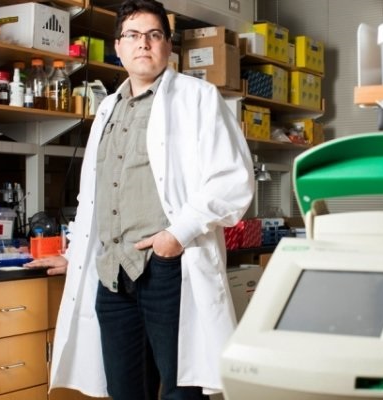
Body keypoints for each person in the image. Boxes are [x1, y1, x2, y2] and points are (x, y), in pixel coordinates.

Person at [25, 0, 254, 398]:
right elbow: (93, 194)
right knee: (125, 389)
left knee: (181, 390)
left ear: (168, 45)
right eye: (132, 35)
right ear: (118, 46)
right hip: (112, 273)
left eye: (154, 34)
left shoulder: (198, 97)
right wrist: (75, 253)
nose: (143, 43)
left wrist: (174, 237)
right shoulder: (107, 109)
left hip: (167, 268)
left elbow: (232, 180)